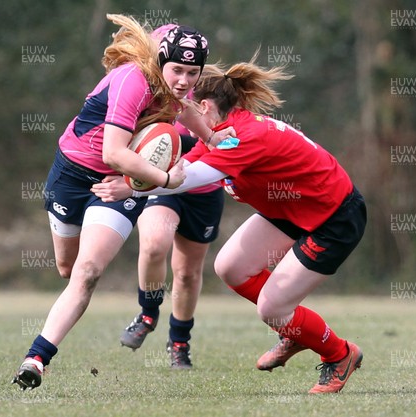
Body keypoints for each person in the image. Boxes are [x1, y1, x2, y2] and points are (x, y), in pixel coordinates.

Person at [92, 55, 367, 394]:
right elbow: (185, 165)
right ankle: (294, 329)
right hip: (293, 209)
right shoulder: (218, 134)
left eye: (186, 106)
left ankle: (339, 354)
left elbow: (189, 179)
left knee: (272, 307)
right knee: (230, 267)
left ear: (204, 106)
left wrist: (132, 182)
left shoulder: (240, 137)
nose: (182, 114)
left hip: (334, 216)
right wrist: (140, 172)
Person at [11, 14, 220, 390]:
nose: (185, 81)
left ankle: (36, 359)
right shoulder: (133, 82)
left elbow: (185, 110)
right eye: (177, 71)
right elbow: (113, 152)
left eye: (193, 73)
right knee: (68, 268)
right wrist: (167, 179)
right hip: (73, 176)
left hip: (118, 184)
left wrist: (214, 138)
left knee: (88, 272)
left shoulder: (178, 86)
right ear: (159, 62)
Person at [119, 122, 224, 369]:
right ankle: (148, 313)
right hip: (161, 184)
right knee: (155, 244)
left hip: (204, 193)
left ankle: (179, 342)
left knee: (187, 274)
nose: (185, 80)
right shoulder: (156, 92)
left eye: (191, 78)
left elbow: (225, 145)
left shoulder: (223, 93)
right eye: (181, 77)